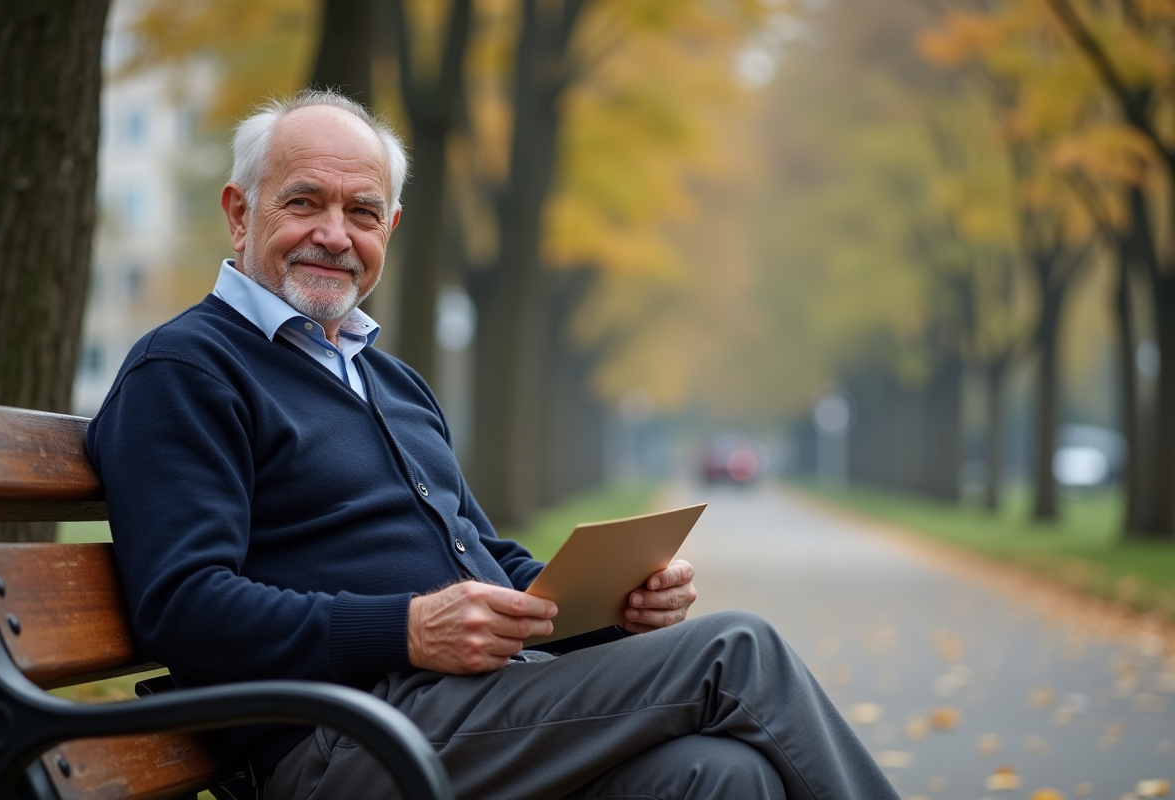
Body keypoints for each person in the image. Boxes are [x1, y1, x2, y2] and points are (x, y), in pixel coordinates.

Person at [87, 89, 899, 800]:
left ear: (390, 229)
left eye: (362, 212)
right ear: (239, 212)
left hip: (465, 713)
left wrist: (611, 611)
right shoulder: (188, 368)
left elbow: (482, 558)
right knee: (738, 650)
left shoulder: (392, 382)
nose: (334, 234)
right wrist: (402, 628)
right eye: (304, 203)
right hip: (343, 740)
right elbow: (182, 605)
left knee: (722, 778)